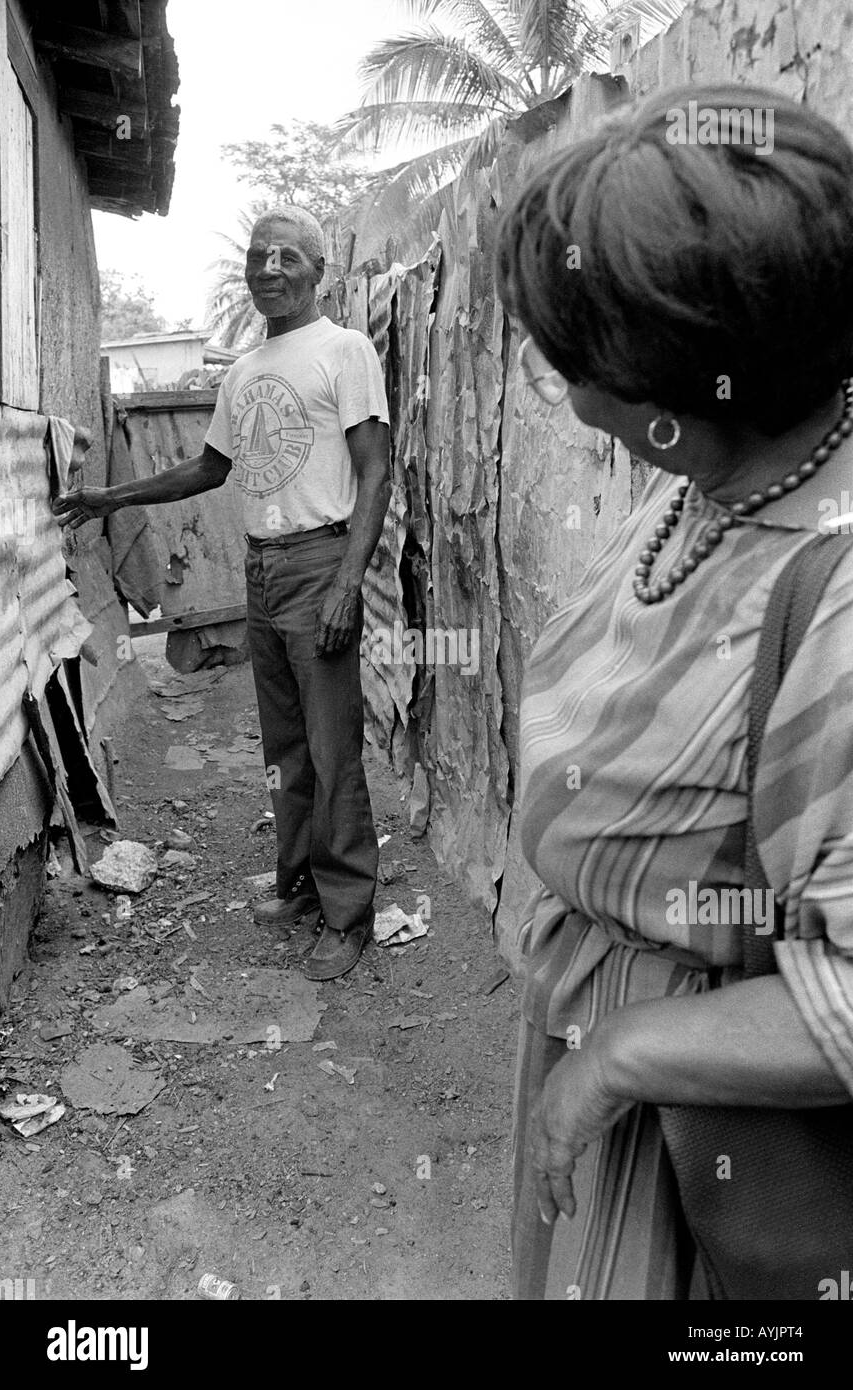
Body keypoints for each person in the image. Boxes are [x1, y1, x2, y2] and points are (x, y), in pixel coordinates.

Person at [495, 84, 853, 1299]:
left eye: (576, 363)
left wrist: (625, 1053)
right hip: (619, 1053)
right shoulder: (712, 473)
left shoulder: (836, 589)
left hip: (721, 1130)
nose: (564, 388)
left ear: (686, 381)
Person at [55, 205, 391, 982]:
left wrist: (348, 582)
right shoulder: (242, 372)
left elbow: (375, 469)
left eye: (287, 258)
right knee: (285, 746)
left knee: (333, 746)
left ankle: (349, 913)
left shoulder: (345, 351)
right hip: (262, 568)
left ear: (318, 271)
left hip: (318, 562)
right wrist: (114, 499)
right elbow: (209, 469)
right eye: (258, 256)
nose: (269, 269)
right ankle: (300, 882)